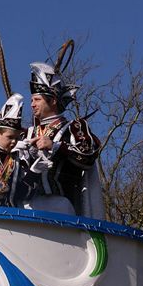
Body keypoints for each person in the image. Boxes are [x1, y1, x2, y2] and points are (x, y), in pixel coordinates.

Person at [23, 44, 105, 219]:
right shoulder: (27, 133)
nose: (32, 104)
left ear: (52, 101)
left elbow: (88, 155)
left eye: (36, 99)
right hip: (27, 204)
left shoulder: (74, 127)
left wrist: (56, 146)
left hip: (60, 207)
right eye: (31, 100)